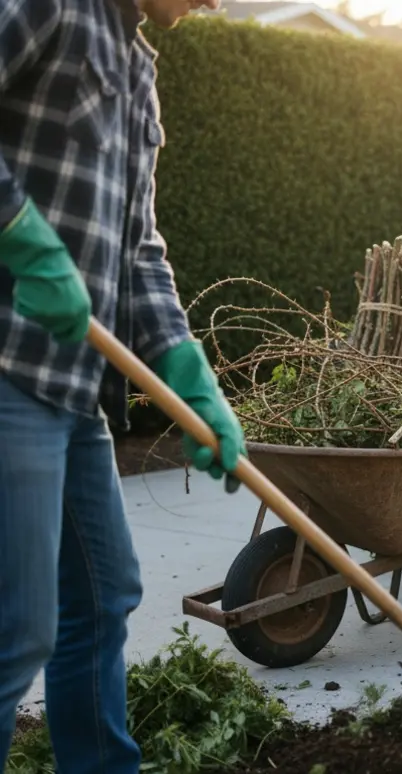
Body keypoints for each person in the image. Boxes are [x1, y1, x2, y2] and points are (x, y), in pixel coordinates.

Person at [0, 0, 247, 769]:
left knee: (106, 597)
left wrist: (187, 370)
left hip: (75, 390)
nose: (210, 5)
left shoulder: (138, 65)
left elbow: (137, 247)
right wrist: (18, 233)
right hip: (9, 365)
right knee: (17, 629)